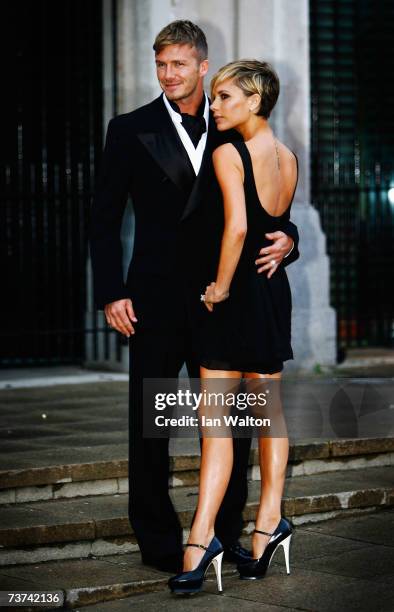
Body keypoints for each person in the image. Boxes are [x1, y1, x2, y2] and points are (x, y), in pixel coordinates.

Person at [90, 21, 299, 575]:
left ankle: (222, 536)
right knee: (153, 425)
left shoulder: (231, 120)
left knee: (230, 424)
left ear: (203, 65)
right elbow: (104, 220)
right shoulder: (128, 129)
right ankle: (160, 543)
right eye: (160, 65)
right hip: (154, 301)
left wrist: (290, 239)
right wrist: (111, 292)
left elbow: (262, 209)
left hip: (222, 300)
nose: (168, 74)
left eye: (179, 64)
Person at [168, 60, 297, 595]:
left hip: (233, 297)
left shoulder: (226, 152)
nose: (213, 105)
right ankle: (268, 528)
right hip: (270, 296)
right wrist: (289, 241)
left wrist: (218, 287)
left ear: (254, 99)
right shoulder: (287, 157)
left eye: (223, 97)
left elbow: (240, 228)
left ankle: (199, 541)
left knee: (216, 427)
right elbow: (278, 228)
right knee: (268, 416)